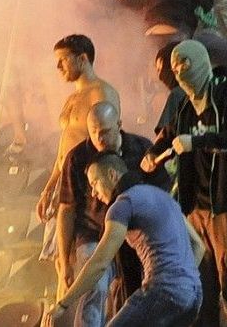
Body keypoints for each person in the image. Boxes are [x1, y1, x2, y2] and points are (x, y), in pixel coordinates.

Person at [146, 40, 227, 327]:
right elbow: (167, 137)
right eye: (175, 65)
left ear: (202, 62)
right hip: (195, 208)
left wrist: (197, 141)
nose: (180, 70)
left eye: (185, 62)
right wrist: (152, 155)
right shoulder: (183, 105)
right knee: (200, 286)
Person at [49, 153, 204, 326]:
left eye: (94, 183)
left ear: (112, 175)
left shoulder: (123, 204)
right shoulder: (161, 196)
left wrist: (64, 303)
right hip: (193, 294)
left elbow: (99, 264)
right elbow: (198, 245)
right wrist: (182, 282)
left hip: (163, 291)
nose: (93, 193)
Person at [56, 102, 171, 327]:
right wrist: (64, 262)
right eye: (94, 132)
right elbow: (66, 210)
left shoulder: (141, 149)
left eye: (106, 131)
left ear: (119, 125)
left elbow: (162, 195)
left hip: (135, 237)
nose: (100, 138)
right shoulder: (77, 157)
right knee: (95, 283)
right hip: (93, 236)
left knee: (138, 294)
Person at [37, 36, 122, 239]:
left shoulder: (101, 92)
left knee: (84, 247)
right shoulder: (72, 98)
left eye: (64, 59)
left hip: (87, 183)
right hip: (66, 178)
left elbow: (110, 141)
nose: (58, 66)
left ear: (82, 59)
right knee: (61, 254)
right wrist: (48, 188)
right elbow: (64, 148)